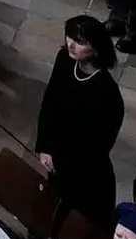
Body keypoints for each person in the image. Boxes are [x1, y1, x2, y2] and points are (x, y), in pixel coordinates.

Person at [33, 16, 126, 227]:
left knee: (80, 226)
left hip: (86, 176)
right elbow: (49, 105)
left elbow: (97, 146)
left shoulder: (107, 93)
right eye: (70, 37)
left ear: (97, 48)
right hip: (57, 161)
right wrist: (44, 147)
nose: (71, 44)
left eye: (80, 41)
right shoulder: (64, 60)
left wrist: (61, 162)